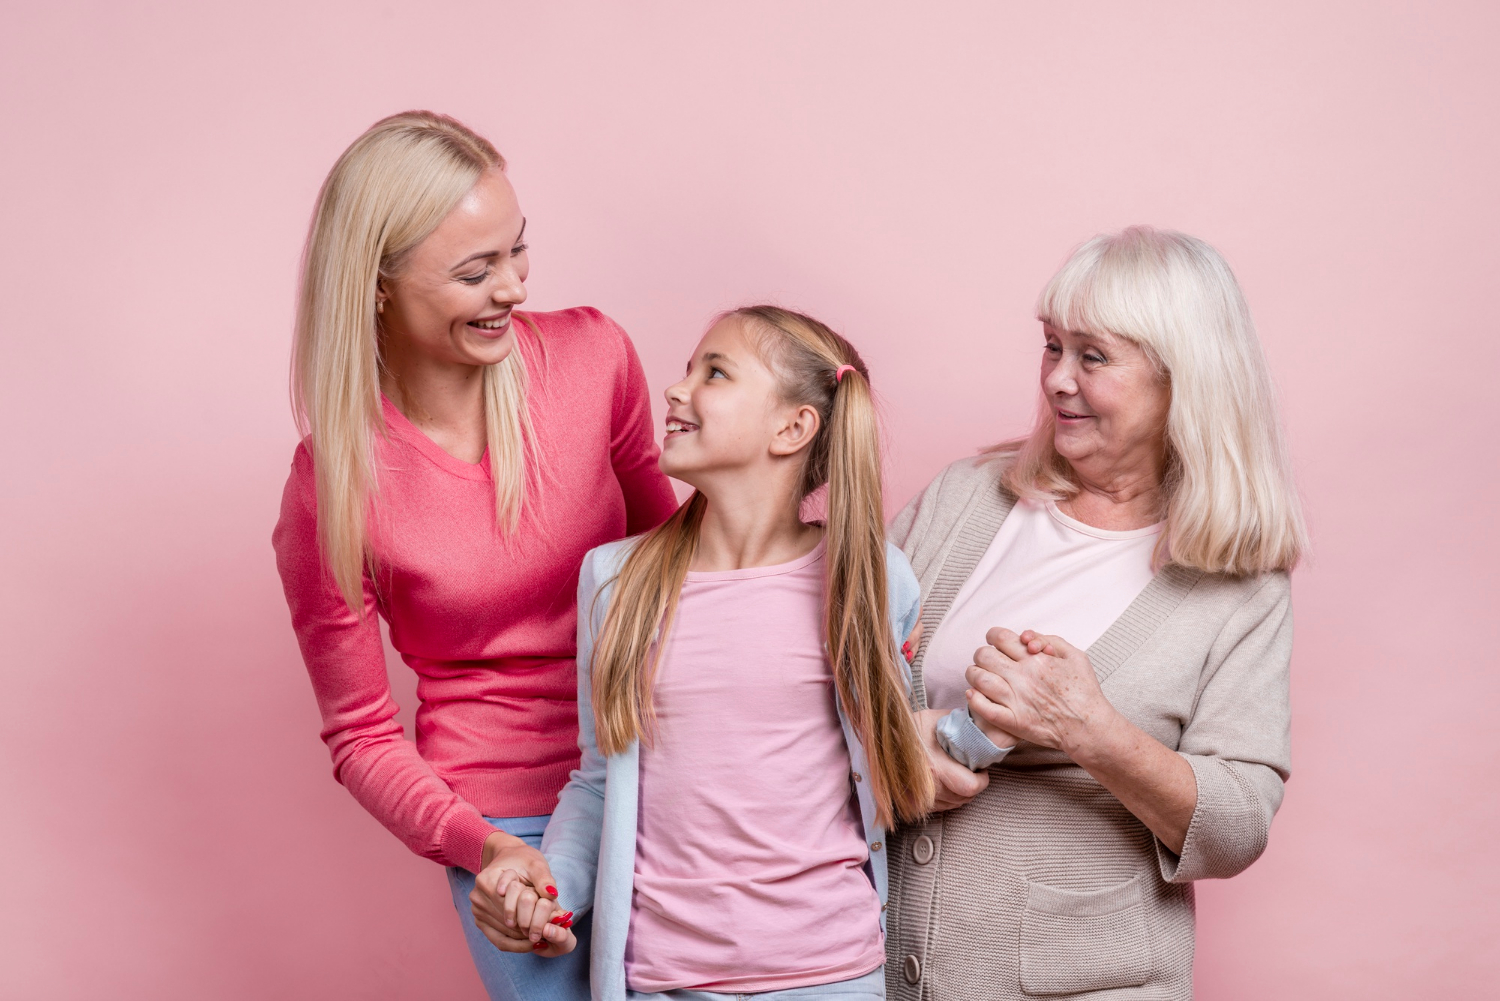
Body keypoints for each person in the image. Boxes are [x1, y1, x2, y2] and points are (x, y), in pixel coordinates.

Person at [271, 111, 678, 1000]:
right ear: (379, 286)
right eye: (474, 270)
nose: (513, 289)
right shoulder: (332, 487)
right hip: (508, 822)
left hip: (661, 763)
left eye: (516, 252)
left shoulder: (593, 357)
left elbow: (682, 563)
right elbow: (362, 734)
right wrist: (485, 848)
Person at [885, 226, 1307, 999]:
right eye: (1052, 347)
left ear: (1184, 379)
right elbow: (827, 680)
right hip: (874, 970)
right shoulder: (963, 497)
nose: (1055, 380)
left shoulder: (1240, 587)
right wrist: (891, 749)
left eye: (1093, 356)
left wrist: (1090, 727)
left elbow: (1239, 822)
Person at [477, 307, 936, 1000]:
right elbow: (601, 778)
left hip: (831, 977)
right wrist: (553, 885)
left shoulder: (870, 578)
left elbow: (899, 762)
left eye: (714, 372)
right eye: (690, 368)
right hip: (661, 981)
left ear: (792, 427)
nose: (676, 388)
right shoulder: (615, 580)